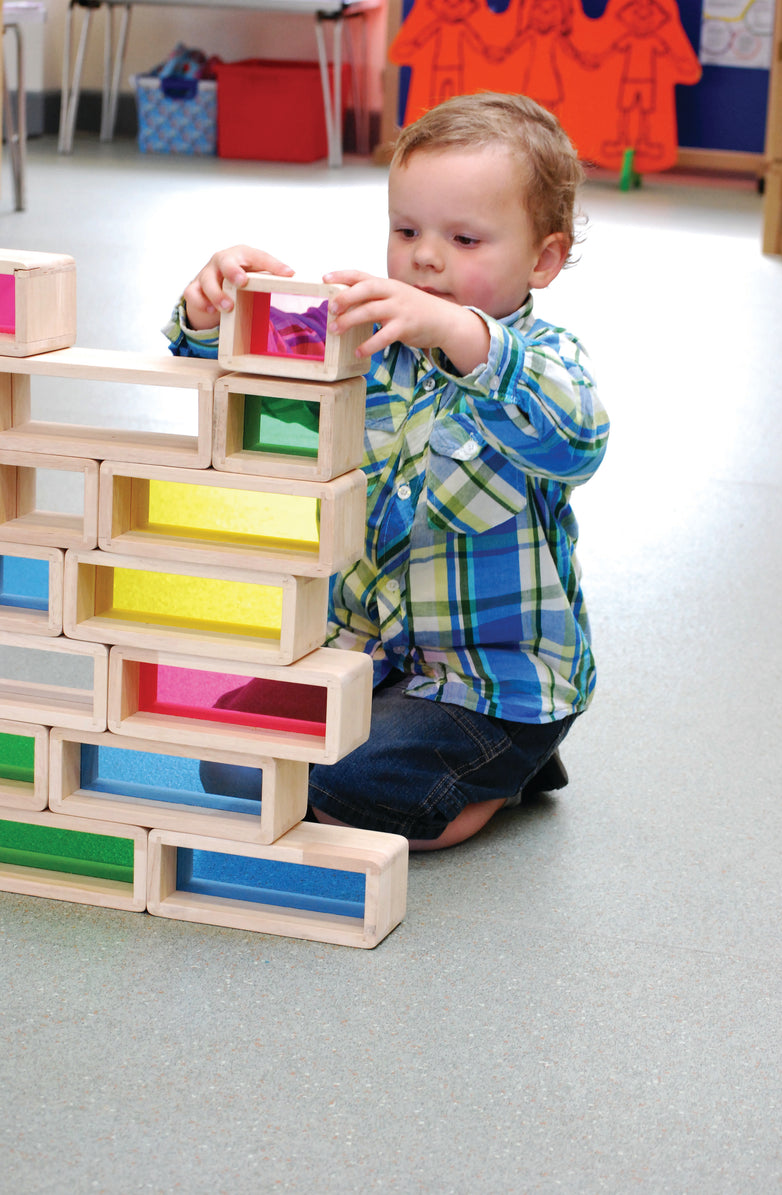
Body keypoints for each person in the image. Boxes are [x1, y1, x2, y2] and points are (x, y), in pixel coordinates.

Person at [164, 91, 610, 851]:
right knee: (233, 760)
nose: (426, 257)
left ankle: (494, 782)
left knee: (331, 782)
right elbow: (256, 392)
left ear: (544, 259)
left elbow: (577, 434)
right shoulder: (367, 339)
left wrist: (461, 332)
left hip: (493, 690)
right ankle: (472, 774)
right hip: (371, 659)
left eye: (465, 239)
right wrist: (213, 314)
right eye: (407, 231)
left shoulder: (544, 361)